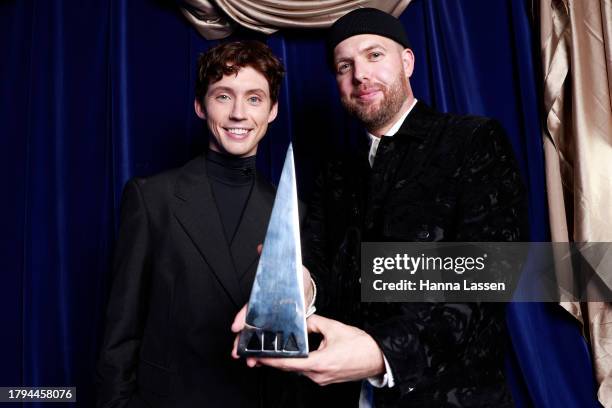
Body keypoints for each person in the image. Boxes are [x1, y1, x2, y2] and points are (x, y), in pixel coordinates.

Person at [234, 8, 527, 407]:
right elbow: (318, 260)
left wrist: (381, 352)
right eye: (344, 66)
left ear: (407, 62)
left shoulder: (472, 141)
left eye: (374, 56)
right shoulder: (336, 170)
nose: (360, 75)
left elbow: (488, 277)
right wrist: (292, 286)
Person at [96, 40, 301, 408]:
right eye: (223, 96)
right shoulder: (151, 198)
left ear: (272, 111)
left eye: (254, 99)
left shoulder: (292, 214)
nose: (239, 113)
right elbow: (120, 334)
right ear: (200, 106)